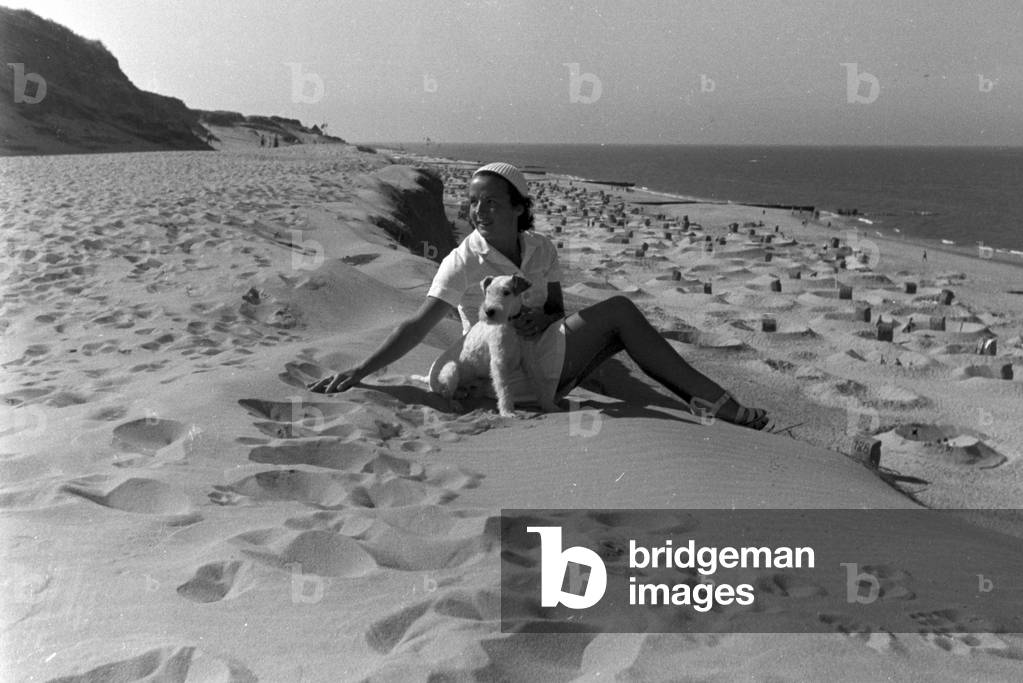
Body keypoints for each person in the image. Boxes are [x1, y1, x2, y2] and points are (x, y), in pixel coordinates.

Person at [308, 162, 769, 429]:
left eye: (490, 201)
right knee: (622, 314)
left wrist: (543, 319)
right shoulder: (464, 259)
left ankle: (703, 402)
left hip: (547, 357)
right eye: (473, 201)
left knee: (616, 325)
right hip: (503, 370)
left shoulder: (541, 248)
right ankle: (715, 405)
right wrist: (362, 370)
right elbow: (419, 325)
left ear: (518, 207)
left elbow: (555, 310)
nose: (478, 210)